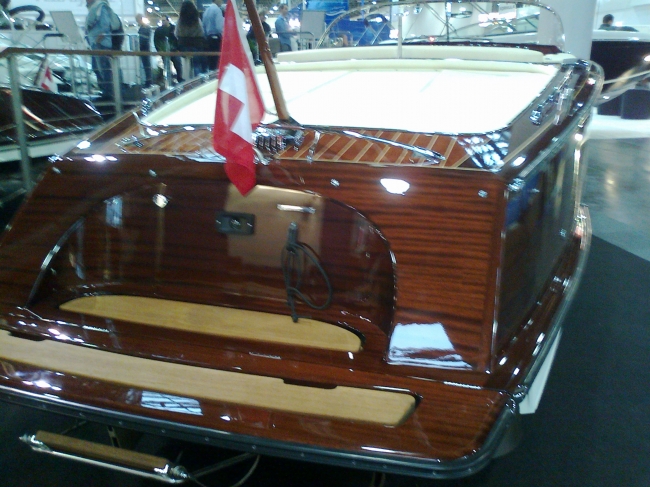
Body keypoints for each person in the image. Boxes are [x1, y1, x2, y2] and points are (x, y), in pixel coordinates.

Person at [85, 0, 114, 99]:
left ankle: (108, 93)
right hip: (96, 43)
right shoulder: (96, 9)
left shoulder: (101, 7)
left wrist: (98, 40)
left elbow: (105, 25)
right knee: (97, 68)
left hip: (102, 44)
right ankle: (105, 91)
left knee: (104, 69)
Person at [175, 0, 208, 77]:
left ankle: (186, 80)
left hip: (183, 46)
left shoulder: (180, 20)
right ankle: (198, 80)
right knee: (197, 64)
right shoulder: (197, 20)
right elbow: (202, 32)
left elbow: (176, 33)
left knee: (185, 64)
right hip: (196, 45)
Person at [154, 16, 184, 84]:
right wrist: (159, 50)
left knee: (178, 65)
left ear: (168, 20)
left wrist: (179, 49)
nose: (163, 22)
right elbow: (156, 41)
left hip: (174, 50)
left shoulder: (174, 28)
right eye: (162, 21)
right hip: (164, 51)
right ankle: (169, 80)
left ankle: (179, 78)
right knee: (167, 67)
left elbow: (178, 39)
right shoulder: (158, 30)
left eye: (164, 20)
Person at [202, 0, 224, 71]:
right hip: (216, 39)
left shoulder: (206, 11)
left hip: (208, 39)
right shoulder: (217, 10)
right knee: (217, 62)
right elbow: (219, 27)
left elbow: (203, 27)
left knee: (211, 63)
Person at [136, 13, 153, 88]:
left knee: (147, 66)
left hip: (145, 49)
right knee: (145, 66)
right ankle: (147, 80)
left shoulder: (146, 28)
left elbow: (146, 38)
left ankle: (149, 81)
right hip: (142, 49)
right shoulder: (143, 28)